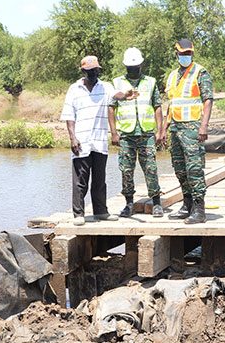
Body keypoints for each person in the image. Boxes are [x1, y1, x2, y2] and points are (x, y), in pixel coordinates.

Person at [60, 56, 121, 226]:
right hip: (82, 141)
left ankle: (101, 211)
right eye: (90, 71)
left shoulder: (105, 87)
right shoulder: (74, 89)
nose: (94, 73)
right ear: (83, 71)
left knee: (100, 179)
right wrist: (73, 137)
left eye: (96, 70)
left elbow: (118, 95)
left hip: (99, 141)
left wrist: (127, 94)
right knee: (80, 180)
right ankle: (78, 214)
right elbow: (69, 116)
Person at [159, 39, 214, 224]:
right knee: (180, 168)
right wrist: (163, 128)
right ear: (177, 54)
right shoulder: (173, 75)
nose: (185, 56)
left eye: (188, 53)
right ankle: (187, 204)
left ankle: (199, 209)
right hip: (175, 127)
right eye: (182, 54)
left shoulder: (200, 72)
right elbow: (172, 103)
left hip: (192, 127)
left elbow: (208, 100)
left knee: (194, 168)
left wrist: (204, 126)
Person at [108, 47, 164, 218]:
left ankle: (156, 203)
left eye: (136, 67)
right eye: (130, 67)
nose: (133, 70)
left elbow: (157, 106)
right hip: (126, 134)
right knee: (126, 170)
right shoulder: (117, 83)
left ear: (141, 65)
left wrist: (160, 131)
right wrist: (114, 133)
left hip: (146, 133)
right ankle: (129, 204)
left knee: (151, 168)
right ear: (126, 67)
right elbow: (111, 108)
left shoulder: (151, 82)